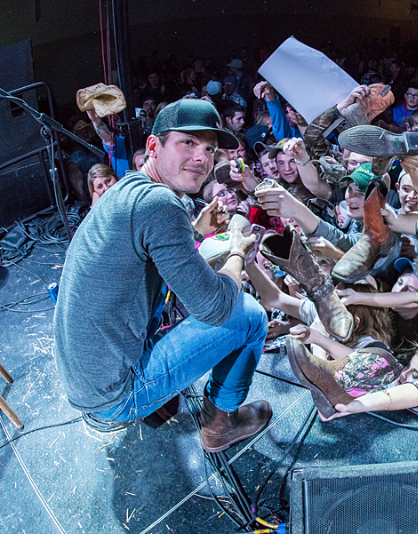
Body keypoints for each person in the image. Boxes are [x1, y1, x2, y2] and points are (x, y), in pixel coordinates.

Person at [54, 99, 272, 453]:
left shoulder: (128, 189)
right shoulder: (160, 204)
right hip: (113, 394)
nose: (202, 158)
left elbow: (151, 253)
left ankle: (155, 397)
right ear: (153, 146)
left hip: (86, 379)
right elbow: (214, 308)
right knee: (248, 315)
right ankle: (219, 426)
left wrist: (195, 232)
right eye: (188, 142)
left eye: (210, 149)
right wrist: (237, 252)